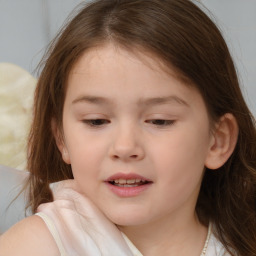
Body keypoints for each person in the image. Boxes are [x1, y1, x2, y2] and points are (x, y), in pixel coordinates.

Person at [0, 0, 255, 255]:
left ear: (217, 141)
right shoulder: (36, 246)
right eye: (96, 121)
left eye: (159, 121)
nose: (124, 147)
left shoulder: (244, 239)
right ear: (61, 139)